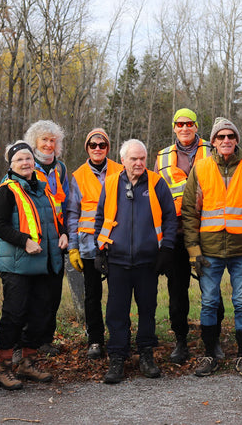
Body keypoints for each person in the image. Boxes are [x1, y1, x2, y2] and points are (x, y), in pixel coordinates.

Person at [182, 117, 242, 377]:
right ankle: (210, 355)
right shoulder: (201, 168)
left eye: (230, 137)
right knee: (209, 303)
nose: (226, 141)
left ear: (236, 140)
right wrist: (193, 251)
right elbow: (189, 212)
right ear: (213, 141)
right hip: (208, 251)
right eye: (220, 137)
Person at [94, 139, 178, 384]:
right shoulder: (110, 183)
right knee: (116, 312)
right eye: (134, 159)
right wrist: (99, 251)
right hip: (117, 261)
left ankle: (146, 355)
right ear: (123, 160)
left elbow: (171, 219)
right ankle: (118, 357)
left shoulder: (157, 183)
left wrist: (167, 250)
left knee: (147, 311)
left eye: (142, 158)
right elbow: (100, 219)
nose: (139, 162)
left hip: (148, 261)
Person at [0, 141, 68, 390]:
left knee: (40, 315)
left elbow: (54, 219)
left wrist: (65, 233)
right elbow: (0, 226)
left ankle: (28, 364)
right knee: (14, 316)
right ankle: (3, 369)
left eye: (28, 158)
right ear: (12, 165)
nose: (25, 163)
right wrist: (24, 241)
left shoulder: (43, 188)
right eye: (19, 160)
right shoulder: (7, 190)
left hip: (45, 264)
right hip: (17, 266)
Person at [154, 108, 225, 364]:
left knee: (211, 289)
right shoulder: (161, 157)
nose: (185, 128)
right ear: (174, 127)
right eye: (180, 124)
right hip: (176, 234)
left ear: (197, 126)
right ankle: (180, 342)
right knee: (177, 292)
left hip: (207, 231)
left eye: (189, 123)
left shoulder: (214, 149)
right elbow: (155, 197)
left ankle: (213, 340)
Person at [64, 128, 124, 360]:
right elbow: (72, 214)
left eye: (102, 145)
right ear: (87, 148)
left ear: (108, 148)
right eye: (93, 145)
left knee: (119, 295)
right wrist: (73, 247)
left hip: (117, 245)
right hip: (89, 247)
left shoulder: (121, 170)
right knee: (92, 296)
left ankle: (120, 337)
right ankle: (96, 340)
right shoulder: (78, 175)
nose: (97, 148)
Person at [24, 120, 78, 356]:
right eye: (44, 139)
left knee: (52, 295)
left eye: (52, 140)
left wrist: (66, 232)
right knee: (30, 294)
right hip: (33, 241)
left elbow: (66, 205)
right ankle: (24, 344)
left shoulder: (61, 169)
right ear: (34, 142)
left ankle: (45, 340)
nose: (48, 144)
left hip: (57, 240)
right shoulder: (25, 165)